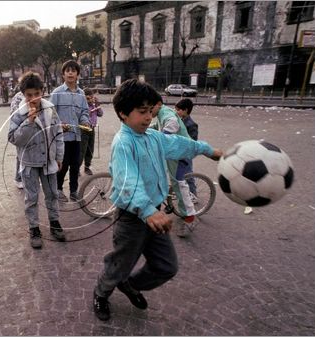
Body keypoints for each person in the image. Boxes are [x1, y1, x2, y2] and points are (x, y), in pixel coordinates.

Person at [92, 79, 222, 321]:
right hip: (133, 218)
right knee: (120, 264)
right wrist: (147, 211)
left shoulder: (153, 137)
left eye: (150, 112)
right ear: (123, 113)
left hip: (156, 216)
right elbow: (127, 182)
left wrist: (208, 150)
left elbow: (179, 144)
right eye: (141, 112)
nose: (148, 118)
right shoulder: (123, 143)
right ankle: (101, 293)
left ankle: (130, 285)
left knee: (167, 266)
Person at [8, 72, 65, 249]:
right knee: (31, 197)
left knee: (52, 194)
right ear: (23, 95)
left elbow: (58, 133)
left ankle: (54, 223)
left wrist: (59, 156)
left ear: (42, 91)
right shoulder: (19, 114)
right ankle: (34, 229)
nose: (33, 98)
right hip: (29, 164)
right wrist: (28, 123)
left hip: (48, 161)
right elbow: (13, 138)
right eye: (29, 95)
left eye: (37, 94)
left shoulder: (50, 109)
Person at [153, 96, 199, 238]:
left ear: (158, 104)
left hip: (181, 154)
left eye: (149, 108)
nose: (147, 112)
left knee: (179, 184)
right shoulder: (160, 113)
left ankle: (190, 217)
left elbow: (172, 124)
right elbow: (157, 126)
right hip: (173, 153)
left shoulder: (165, 113)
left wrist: (160, 138)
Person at [49, 60, 90, 202]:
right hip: (62, 138)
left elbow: (85, 111)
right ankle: (58, 190)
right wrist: (59, 124)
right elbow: (50, 114)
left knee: (75, 164)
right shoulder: (57, 93)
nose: (70, 73)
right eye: (68, 71)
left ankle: (74, 191)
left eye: (73, 71)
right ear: (63, 74)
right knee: (63, 164)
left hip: (76, 136)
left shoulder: (81, 94)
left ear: (78, 74)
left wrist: (85, 121)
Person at [175, 98, 199, 198]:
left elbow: (193, 141)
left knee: (188, 175)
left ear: (185, 110)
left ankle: (193, 195)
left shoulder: (191, 124)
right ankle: (182, 192)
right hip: (178, 152)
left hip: (186, 154)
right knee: (178, 174)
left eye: (178, 110)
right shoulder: (179, 120)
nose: (176, 112)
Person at [80, 88, 103, 176]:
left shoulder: (94, 105)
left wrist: (97, 105)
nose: (89, 100)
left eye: (91, 97)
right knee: (82, 150)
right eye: (87, 98)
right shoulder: (82, 106)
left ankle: (87, 167)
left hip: (92, 129)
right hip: (83, 129)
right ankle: (77, 168)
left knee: (90, 149)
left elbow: (100, 114)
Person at [10, 87, 25, 189]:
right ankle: (18, 178)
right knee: (21, 156)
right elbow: (14, 114)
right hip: (21, 129)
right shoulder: (18, 97)